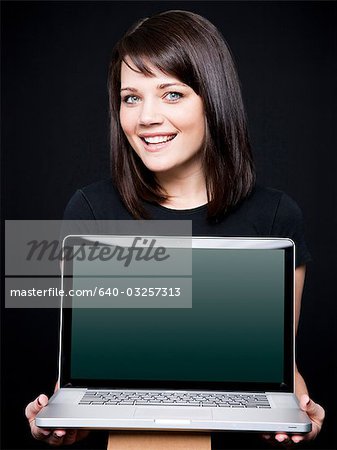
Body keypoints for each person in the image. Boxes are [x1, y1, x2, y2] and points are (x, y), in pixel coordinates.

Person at [25, 10, 325, 448]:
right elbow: (79, 379)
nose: (146, 117)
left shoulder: (277, 216)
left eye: (171, 93)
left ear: (213, 99)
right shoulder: (90, 210)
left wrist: (300, 411)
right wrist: (61, 419)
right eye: (131, 97)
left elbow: (281, 370)